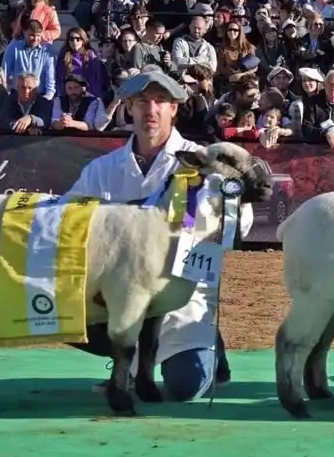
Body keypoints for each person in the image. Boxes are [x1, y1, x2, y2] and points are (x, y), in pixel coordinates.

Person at [64, 69, 237, 402]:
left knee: (185, 388)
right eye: (142, 101)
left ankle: (210, 346)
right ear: (128, 107)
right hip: (119, 295)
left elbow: (232, 224)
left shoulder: (201, 163)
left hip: (179, 301)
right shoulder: (102, 169)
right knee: (54, 308)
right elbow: (67, 218)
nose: (150, 110)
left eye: (160, 101)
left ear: (174, 108)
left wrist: (225, 215)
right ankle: (125, 364)